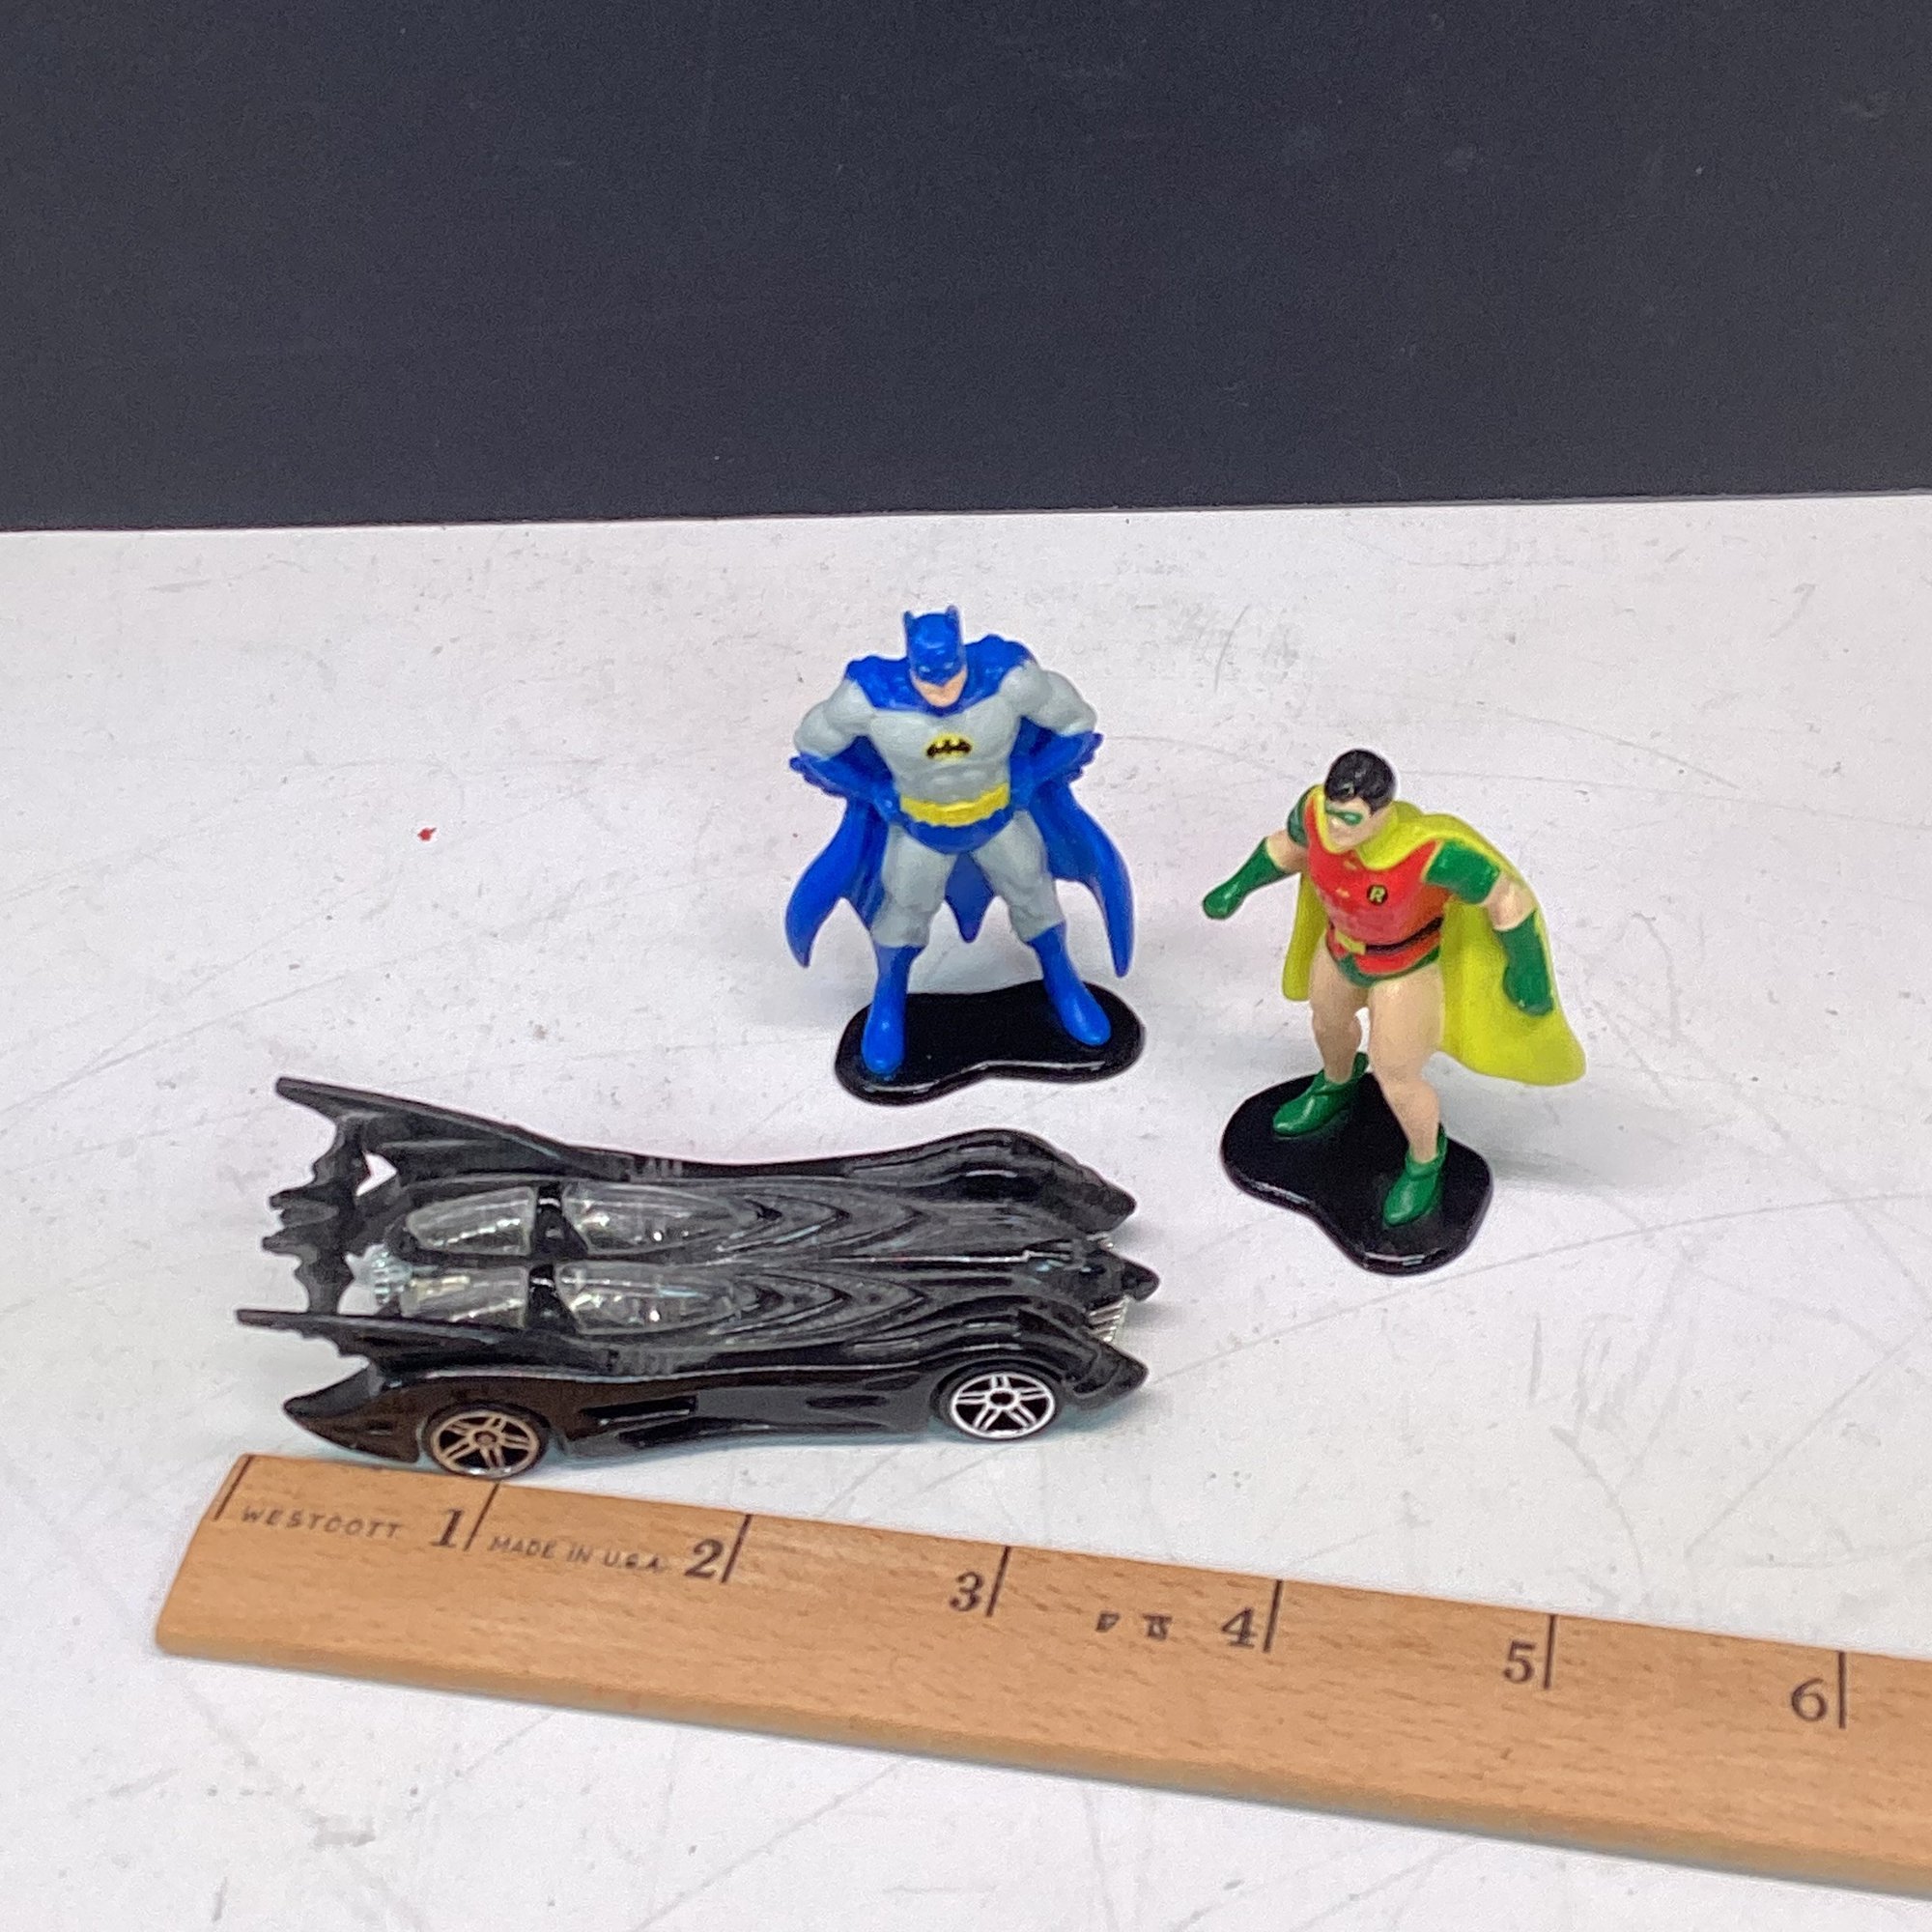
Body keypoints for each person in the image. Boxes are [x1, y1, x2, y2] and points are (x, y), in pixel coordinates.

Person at [1204, 749, 1583, 1225]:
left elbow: (1506, 895)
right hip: (1341, 948)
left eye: (1349, 819)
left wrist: (1527, 966)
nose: (1335, 827)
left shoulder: (1427, 854)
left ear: (1381, 813)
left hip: (1404, 968)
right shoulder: (1313, 814)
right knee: (1328, 1023)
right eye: (1332, 812)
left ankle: (1425, 1159)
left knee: (1397, 1074)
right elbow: (1288, 848)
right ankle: (1337, 1083)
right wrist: (1238, 886)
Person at [786, 609, 1132, 1079]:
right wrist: (870, 790)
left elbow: (1077, 724)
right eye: (929, 678)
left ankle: (1063, 980)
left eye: (950, 674)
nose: (942, 689)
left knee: (1033, 894)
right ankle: (888, 999)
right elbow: (813, 746)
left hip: (999, 819)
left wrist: (1034, 772)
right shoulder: (869, 698)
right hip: (920, 828)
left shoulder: (1007, 680)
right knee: (904, 911)